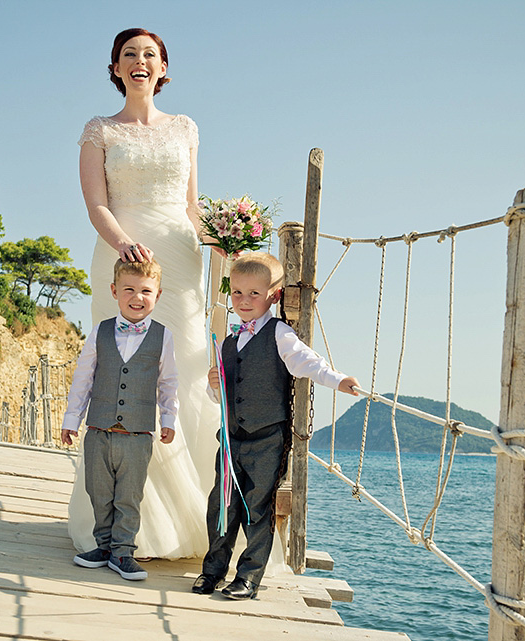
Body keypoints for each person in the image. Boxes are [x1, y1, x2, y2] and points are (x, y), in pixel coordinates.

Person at [68, 27, 216, 559]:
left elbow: (192, 203)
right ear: (114, 68)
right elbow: (96, 204)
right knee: (120, 374)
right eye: (129, 54)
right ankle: (115, 523)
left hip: (178, 260)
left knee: (187, 368)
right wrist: (125, 244)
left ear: (163, 68)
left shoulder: (186, 128)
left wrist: (223, 237)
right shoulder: (99, 130)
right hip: (121, 251)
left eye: (149, 54)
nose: (139, 61)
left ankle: (187, 523)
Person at [192, 252, 361, 600]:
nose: (244, 301)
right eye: (237, 293)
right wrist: (215, 385)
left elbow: (307, 362)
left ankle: (249, 577)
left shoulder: (279, 334)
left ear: (274, 294)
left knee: (258, 508)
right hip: (231, 437)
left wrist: (338, 379)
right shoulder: (227, 342)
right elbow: (219, 400)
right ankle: (212, 570)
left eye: (254, 293)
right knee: (222, 505)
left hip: (267, 438)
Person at [61, 259, 176, 581]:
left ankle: (123, 551)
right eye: (129, 289)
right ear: (114, 291)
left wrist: (169, 418)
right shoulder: (101, 331)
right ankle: (103, 547)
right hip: (98, 429)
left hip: (138, 435)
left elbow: (168, 382)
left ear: (158, 295)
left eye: (145, 291)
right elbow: (84, 376)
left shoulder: (163, 337)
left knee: (129, 495)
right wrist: (72, 418)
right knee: (98, 491)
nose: (137, 297)